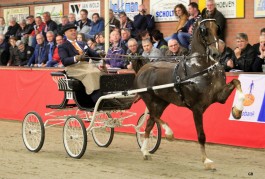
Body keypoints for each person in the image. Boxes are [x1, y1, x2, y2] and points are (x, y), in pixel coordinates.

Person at [58, 23, 102, 98]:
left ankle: (102, 93)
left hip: (87, 66)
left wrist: (100, 54)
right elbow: (65, 61)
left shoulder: (82, 43)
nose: (74, 32)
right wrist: (76, 58)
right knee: (91, 73)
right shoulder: (63, 46)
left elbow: (94, 56)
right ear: (65, 33)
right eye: (71, 31)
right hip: (73, 68)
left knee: (100, 72)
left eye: (75, 30)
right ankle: (94, 96)